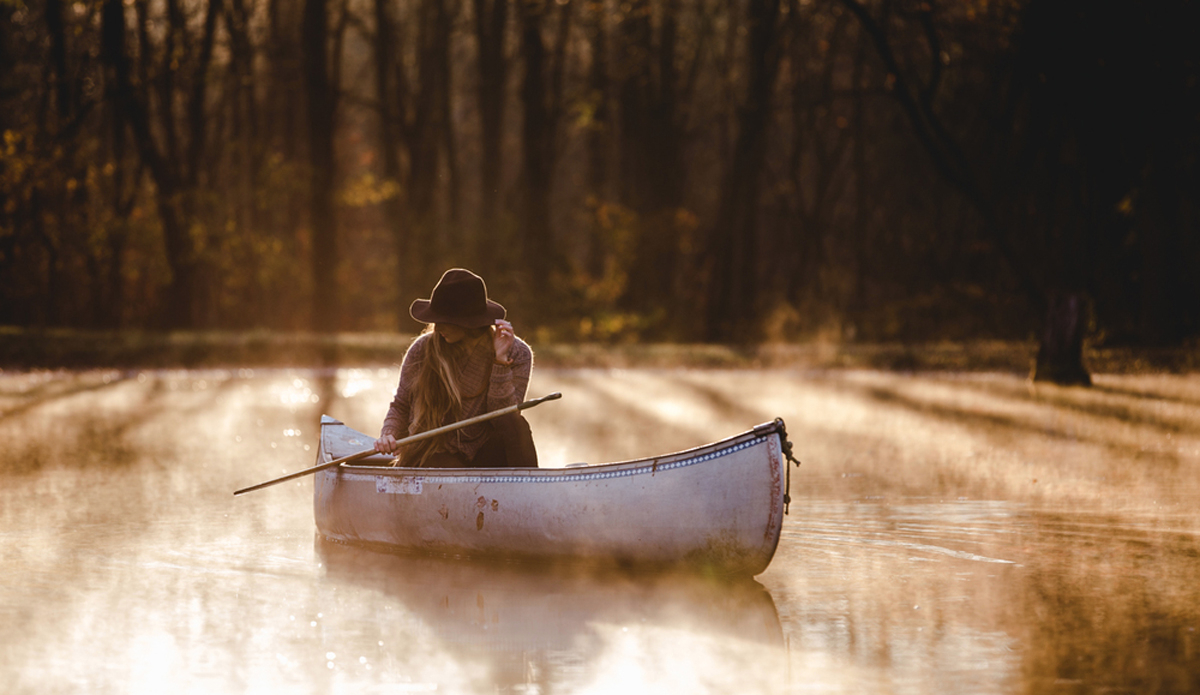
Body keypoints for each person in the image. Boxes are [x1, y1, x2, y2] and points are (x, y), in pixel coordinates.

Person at [373, 268, 539, 468]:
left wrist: (500, 363)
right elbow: (401, 405)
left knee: (517, 426)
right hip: (432, 453)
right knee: (442, 463)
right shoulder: (422, 350)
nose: (437, 326)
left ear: (469, 323)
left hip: (485, 455)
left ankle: (528, 492)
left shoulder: (517, 354)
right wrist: (388, 435)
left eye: (445, 321)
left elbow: (503, 420)